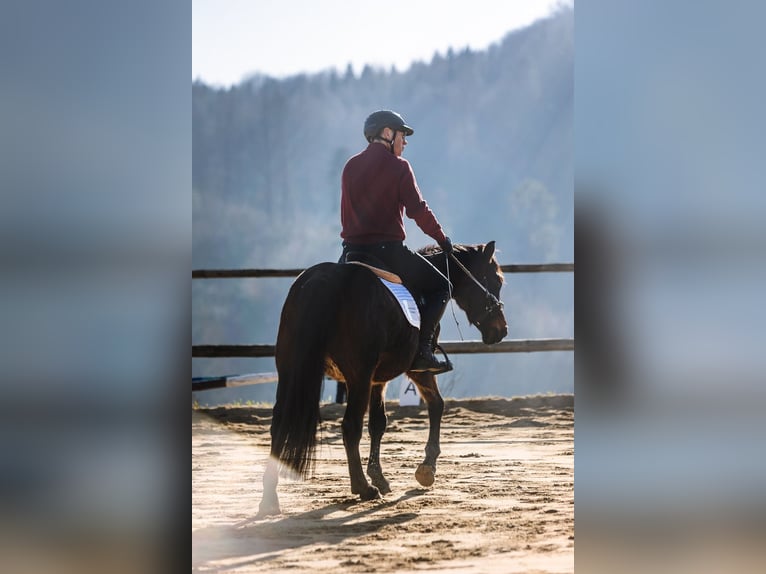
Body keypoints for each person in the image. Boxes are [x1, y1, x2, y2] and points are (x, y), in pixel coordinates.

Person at [339, 109, 454, 374]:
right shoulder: (399, 167)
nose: (405, 141)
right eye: (402, 134)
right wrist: (441, 238)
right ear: (387, 133)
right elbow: (418, 210)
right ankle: (423, 350)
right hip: (388, 253)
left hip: (350, 253)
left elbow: (346, 214)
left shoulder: (350, 166)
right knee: (442, 285)